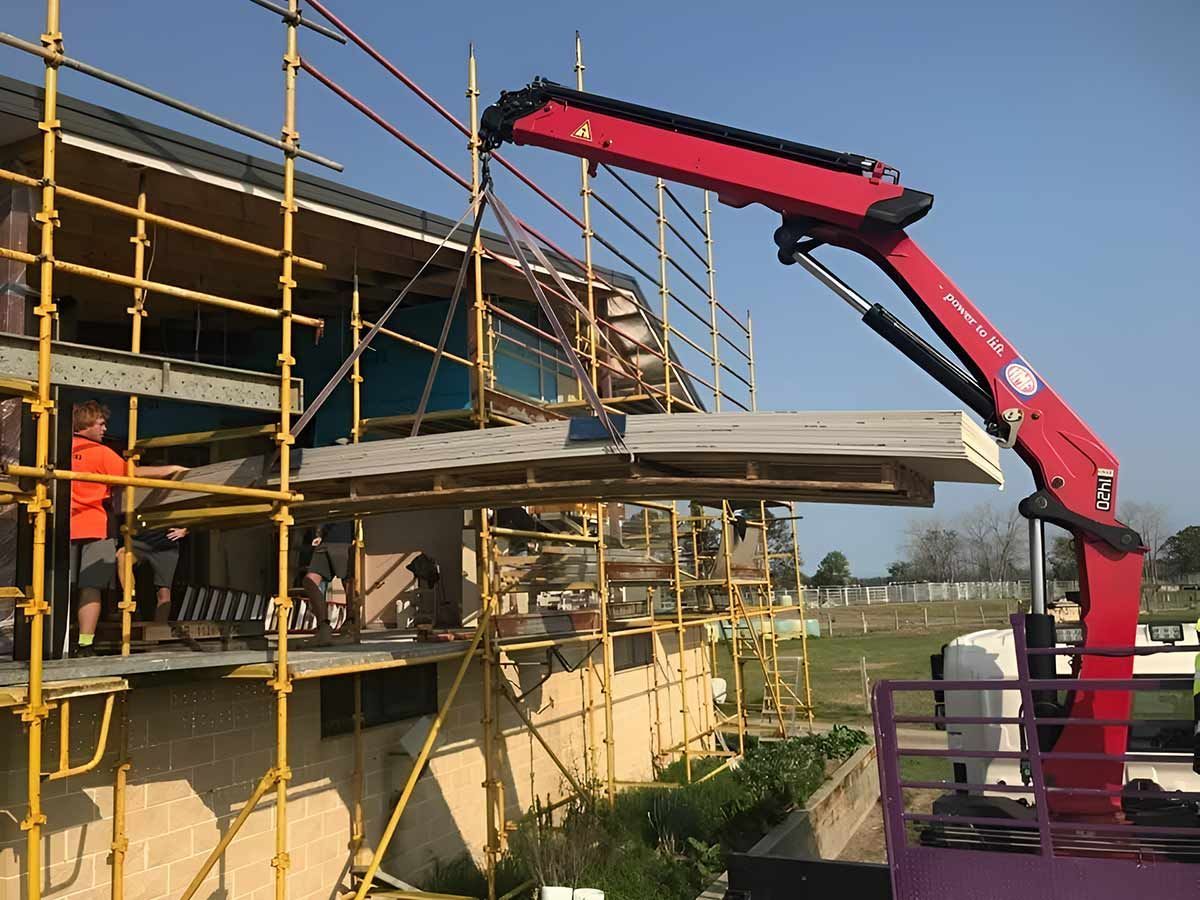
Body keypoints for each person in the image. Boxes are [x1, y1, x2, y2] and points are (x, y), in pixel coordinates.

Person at [70, 400, 186, 656]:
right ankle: (84, 645)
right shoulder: (99, 452)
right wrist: (171, 469)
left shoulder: (56, 449)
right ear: (86, 423)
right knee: (91, 587)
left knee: (53, 586)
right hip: (95, 525)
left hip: (59, 525)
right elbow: (133, 473)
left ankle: (52, 641)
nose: (104, 428)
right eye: (100, 423)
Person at [117, 526, 188, 624]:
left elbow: (198, 515)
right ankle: (131, 599)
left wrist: (185, 530)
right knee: (122, 556)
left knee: (164, 591)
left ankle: (159, 630)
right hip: (139, 541)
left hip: (165, 544)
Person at [301, 520, 355, 645]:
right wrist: (319, 534)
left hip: (344, 540)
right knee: (309, 581)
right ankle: (324, 627)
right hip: (326, 542)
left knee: (348, 582)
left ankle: (350, 623)